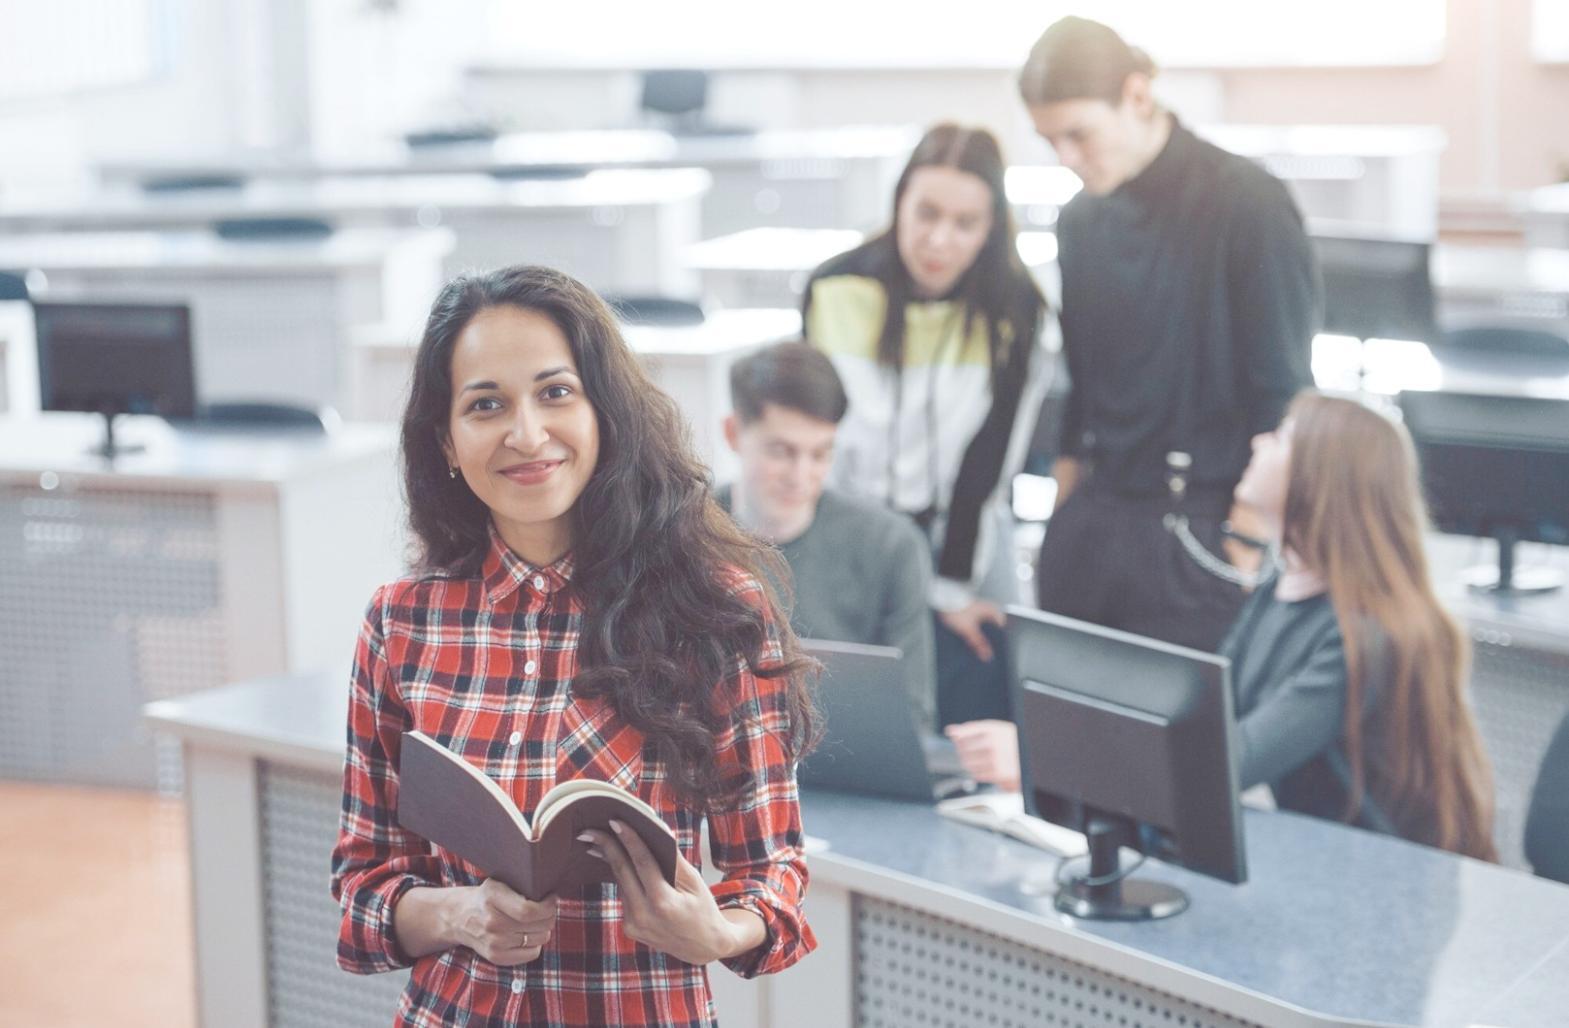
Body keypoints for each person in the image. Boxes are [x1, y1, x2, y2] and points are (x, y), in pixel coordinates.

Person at [330, 266, 821, 1027]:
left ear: (605, 412)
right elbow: (362, 887)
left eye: (555, 393)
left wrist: (718, 931)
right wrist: (459, 914)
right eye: (485, 404)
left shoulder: (716, 612)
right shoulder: (402, 623)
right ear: (448, 443)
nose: (526, 434)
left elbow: (774, 872)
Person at [948, 393, 1499, 860]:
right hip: (1326, 856)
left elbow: (1226, 764)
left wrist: (1041, 756)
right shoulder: (1278, 590)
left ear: (1320, 475)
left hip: (1388, 879)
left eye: (1281, 437)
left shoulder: (1366, 634)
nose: (1258, 443)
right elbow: (1198, 723)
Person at [1021, 16, 1318, 652]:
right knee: (1067, 735)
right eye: (1050, 141)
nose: (1067, 158)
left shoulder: (1248, 201)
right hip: (1094, 521)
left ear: (1136, 95)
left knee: (1179, 748)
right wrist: (1062, 518)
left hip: (1202, 527)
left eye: (1079, 134)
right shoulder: (1079, 220)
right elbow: (1079, 388)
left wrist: (1243, 543)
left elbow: (1282, 389)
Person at [801, 122, 1050, 725]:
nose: (939, 240)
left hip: (962, 537)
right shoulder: (835, 288)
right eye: (926, 213)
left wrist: (947, 593)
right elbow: (815, 438)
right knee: (843, 721)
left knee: (990, 702)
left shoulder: (1016, 310)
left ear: (991, 229)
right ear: (900, 203)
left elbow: (988, 468)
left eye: (966, 224)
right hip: (853, 532)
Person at [717, 341, 937, 731]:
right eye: (781, 452)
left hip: (848, 770)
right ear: (734, 434)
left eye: (820, 454)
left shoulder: (890, 546)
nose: (801, 476)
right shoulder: (680, 532)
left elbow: (912, 717)